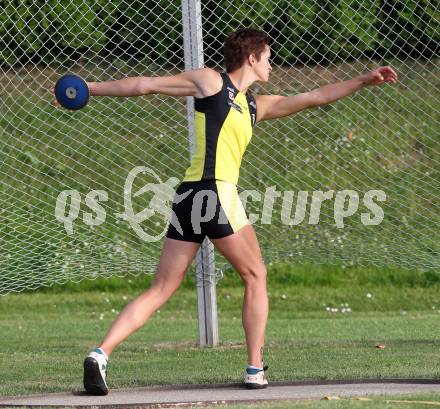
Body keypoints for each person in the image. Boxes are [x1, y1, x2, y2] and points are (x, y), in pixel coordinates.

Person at [54, 28, 397, 395]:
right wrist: (89, 87)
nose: (271, 62)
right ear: (251, 57)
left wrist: (361, 80)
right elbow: (146, 85)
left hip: (189, 197)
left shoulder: (254, 105)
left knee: (162, 288)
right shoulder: (210, 80)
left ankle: (100, 353)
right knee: (255, 275)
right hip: (217, 192)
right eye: (267, 55)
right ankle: (254, 369)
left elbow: (314, 97)